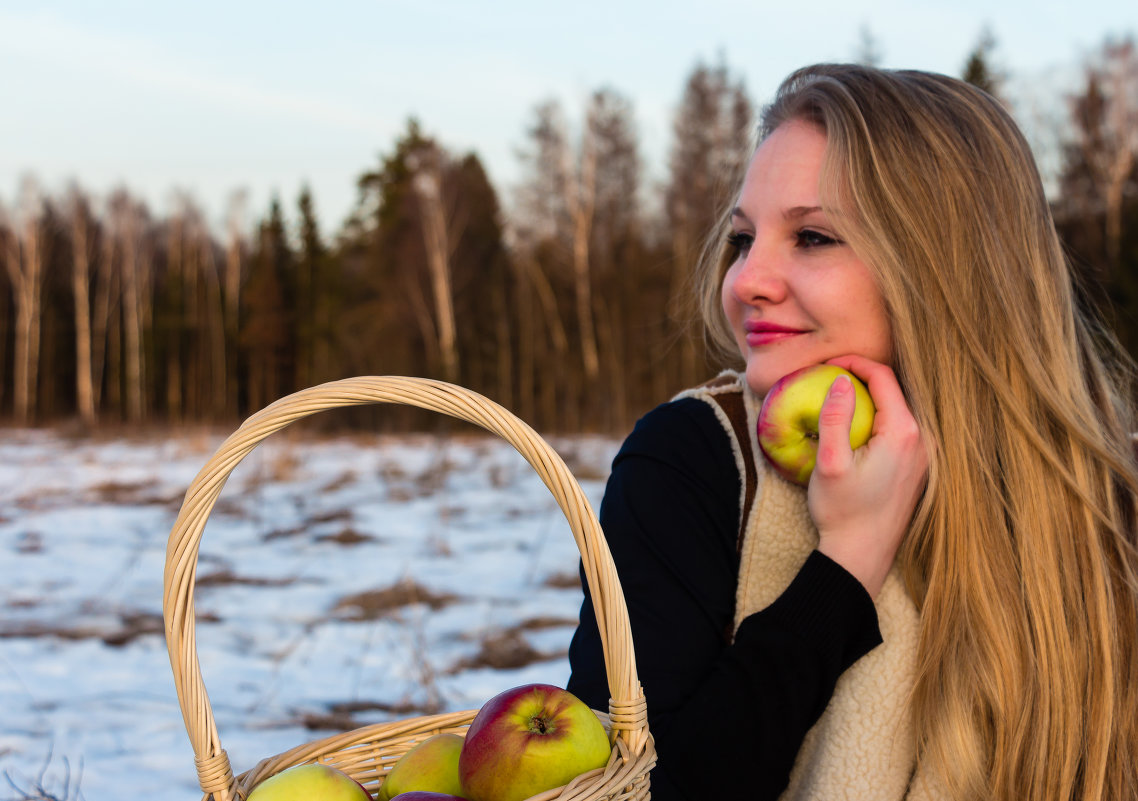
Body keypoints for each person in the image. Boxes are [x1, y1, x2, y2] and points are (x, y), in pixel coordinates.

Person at [567, 63, 1138, 801]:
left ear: (944, 269)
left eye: (811, 236)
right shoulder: (690, 464)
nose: (746, 279)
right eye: (743, 238)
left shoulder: (1097, 507)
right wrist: (842, 571)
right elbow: (634, 790)